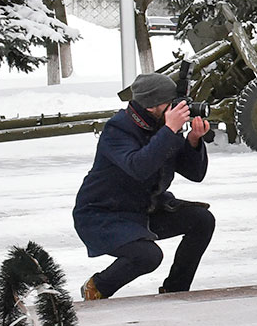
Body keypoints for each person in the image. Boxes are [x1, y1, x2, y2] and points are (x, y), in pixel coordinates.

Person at [73, 72, 212, 299]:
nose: (177, 109)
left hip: (144, 208)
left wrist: (194, 140)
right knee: (148, 256)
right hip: (103, 215)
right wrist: (169, 130)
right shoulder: (117, 129)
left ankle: (175, 291)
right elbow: (139, 167)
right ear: (151, 106)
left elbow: (195, 174)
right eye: (171, 104)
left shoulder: (161, 126)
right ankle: (97, 287)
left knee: (202, 220)